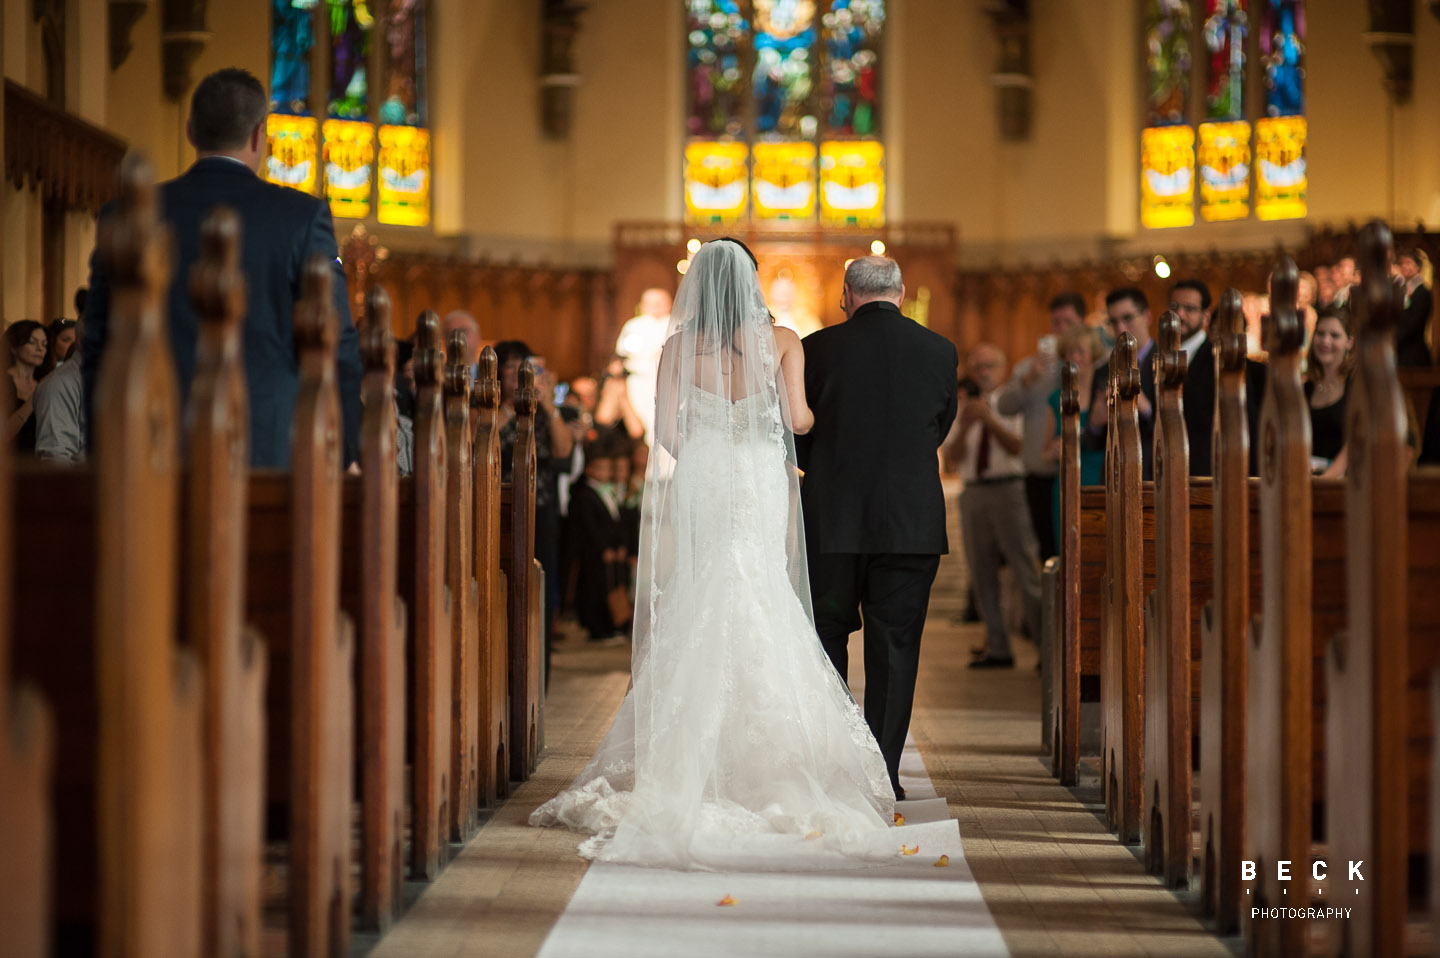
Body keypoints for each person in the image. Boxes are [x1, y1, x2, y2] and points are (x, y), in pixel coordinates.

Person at [531, 239, 901, 870]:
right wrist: (767, 424)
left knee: (705, 579)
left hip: (704, 471)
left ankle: (689, 752)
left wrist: (710, 437)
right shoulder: (782, 341)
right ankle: (778, 752)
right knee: (758, 579)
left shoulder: (676, 348)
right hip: (758, 471)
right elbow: (801, 421)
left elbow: (667, 434)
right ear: (751, 283)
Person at [82, 67, 362, 468]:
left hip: (147, 457)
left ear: (191, 131)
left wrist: (105, 452)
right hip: (266, 459)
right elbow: (337, 342)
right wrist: (346, 448)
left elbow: (99, 346)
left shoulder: (125, 214)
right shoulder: (302, 219)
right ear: (258, 136)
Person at [799, 254, 959, 802]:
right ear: (902, 292)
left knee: (825, 638)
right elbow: (938, 427)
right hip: (910, 520)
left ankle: (837, 765)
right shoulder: (939, 350)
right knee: (895, 647)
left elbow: (796, 433)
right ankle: (882, 773)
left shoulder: (815, 349)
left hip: (832, 517)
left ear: (847, 294)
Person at [941, 343, 1042, 670]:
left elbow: (1018, 448)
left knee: (1026, 570)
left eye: (991, 366)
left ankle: (1046, 648)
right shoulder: (962, 408)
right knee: (981, 572)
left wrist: (990, 420)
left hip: (1008, 489)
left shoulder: (1013, 403)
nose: (984, 372)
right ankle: (998, 648)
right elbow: (951, 460)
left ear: (1003, 368)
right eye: (979, 367)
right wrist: (970, 423)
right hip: (973, 492)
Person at [994, 291, 1084, 560]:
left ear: (1082, 322)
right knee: (1047, 553)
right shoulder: (1030, 367)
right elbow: (1004, 407)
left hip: (1081, 471)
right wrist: (1029, 378)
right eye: (1056, 322)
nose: (1062, 329)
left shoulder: (1092, 361)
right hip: (1040, 474)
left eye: (1068, 322)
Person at [1168, 278, 1267, 477]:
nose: (1180, 314)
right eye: (1174, 307)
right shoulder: (1163, 356)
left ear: (1205, 316)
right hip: (1170, 469)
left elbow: (1245, 421)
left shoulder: (1219, 359)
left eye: (1189, 308)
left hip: (1210, 474)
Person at [1087, 287, 1157, 480]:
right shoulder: (1103, 370)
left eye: (1127, 318)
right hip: (1113, 477)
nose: (1120, 328)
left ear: (1147, 317)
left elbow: (1185, 429)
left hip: (1154, 475)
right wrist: (1095, 423)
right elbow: (1093, 443)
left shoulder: (1167, 362)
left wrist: (1147, 408)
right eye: (1113, 321)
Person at [615, 287, 672, 441]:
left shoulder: (675, 323)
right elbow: (622, 354)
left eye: (659, 302)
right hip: (639, 382)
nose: (655, 306)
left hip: (668, 383)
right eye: (650, 303)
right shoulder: (633, 325)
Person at [1305, 307, 1354, 477]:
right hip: (1306, 478)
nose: (1325, 341)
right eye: (1320, 334)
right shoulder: (1307, 388)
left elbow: (1356, 442)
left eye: (1334, 335)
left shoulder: (1356, 387)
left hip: (1343, 483)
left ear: (1350, 342)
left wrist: (1326, 480)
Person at [35, 319, 86, 462]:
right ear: (82, 341)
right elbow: (56, 459)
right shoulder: (59, 384)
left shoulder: (115, 380)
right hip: (84, 482)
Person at [5, 321, 49, 454]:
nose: (40, 348)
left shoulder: (45, 381)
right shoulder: (4, 382)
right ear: (14, 347)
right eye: (32, 342)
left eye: (44, 344)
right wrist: (34, 398)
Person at [1396, 247, 1433, 367]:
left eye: (1408, 263)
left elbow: (1414, 323)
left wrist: (1393, 337)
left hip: (1414, 353)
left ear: (1418, 268)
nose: (1404, 267)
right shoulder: (1401, 290)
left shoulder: (1423, 292)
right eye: (1402, 263)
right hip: (1400, 351)